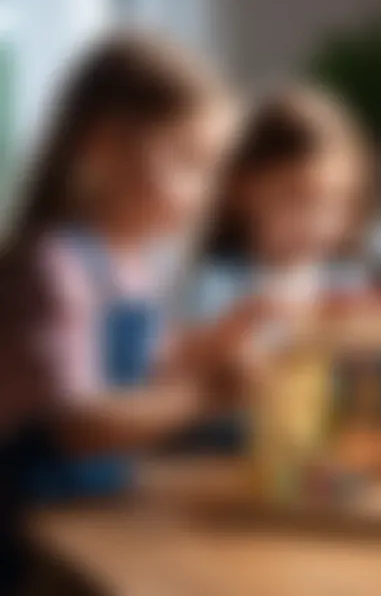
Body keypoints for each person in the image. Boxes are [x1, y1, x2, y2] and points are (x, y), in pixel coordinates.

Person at [0, 32, 255, 592]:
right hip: (24, 533)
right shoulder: (53, 266)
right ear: (102, 148)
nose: (204, 191)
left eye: (213, 169)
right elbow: (79, 423)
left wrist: (208, 346)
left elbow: (143, 365)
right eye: (188, 160)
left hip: (89, 511)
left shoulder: (128, 262)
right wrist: (207, 394)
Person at [182, 85, 368, 470]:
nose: (317, 223)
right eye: (295, 199)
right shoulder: (217, 285)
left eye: (335, 203)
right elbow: (213, 381)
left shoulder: (346, 285)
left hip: (317, 466)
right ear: (243, 190)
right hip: (224, 461)